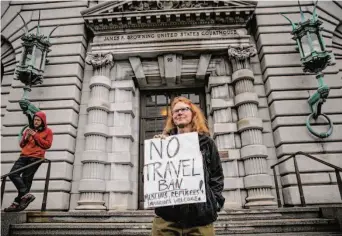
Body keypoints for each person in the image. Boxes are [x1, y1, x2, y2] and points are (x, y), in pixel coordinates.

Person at [151, 96, 225, 236]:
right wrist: (157, 154)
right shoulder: (163, 144)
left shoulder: (207, 143)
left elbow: (217, 176)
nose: (179, 113)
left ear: (193, 114)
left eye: (184, 109)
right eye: (175, 111)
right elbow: (152, 179)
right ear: (172, 117)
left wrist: (215, 203)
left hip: (201, 218)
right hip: (167, 218)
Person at [4, 111, 53, 212]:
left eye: (38, 120)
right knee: (13, 174)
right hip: (23, 156)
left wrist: (35, 135)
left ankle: (16, 203)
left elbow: (47, 145)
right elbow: (22, 145)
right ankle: (26, 195)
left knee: (26, 179)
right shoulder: (28, 130)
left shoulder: (48, 131)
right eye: (35, 120)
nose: (36, 122)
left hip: (36, 158)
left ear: (43, 121)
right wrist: (25, 139)